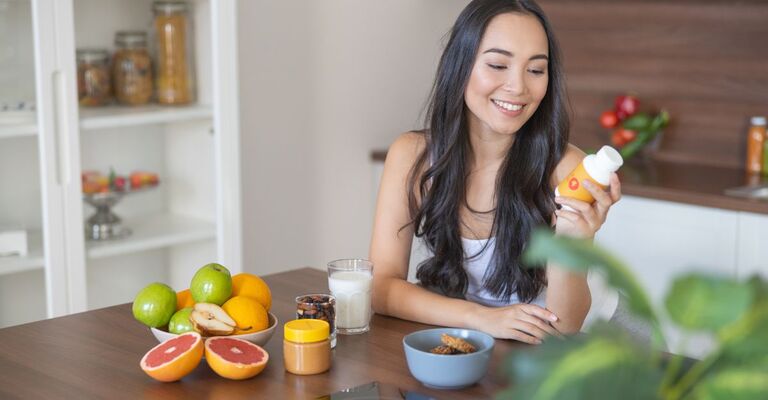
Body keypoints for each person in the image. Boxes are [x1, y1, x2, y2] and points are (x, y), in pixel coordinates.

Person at [369, 0, 622, 344]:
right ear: (460, 65)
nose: (518, 87)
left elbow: (565, 325)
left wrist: (573, 240)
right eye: (498, 64)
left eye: (535, 70)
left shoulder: (567, 169)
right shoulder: (413, 156)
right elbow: (381, 288)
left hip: (591, 342)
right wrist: (482, 319)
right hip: (487, 337)